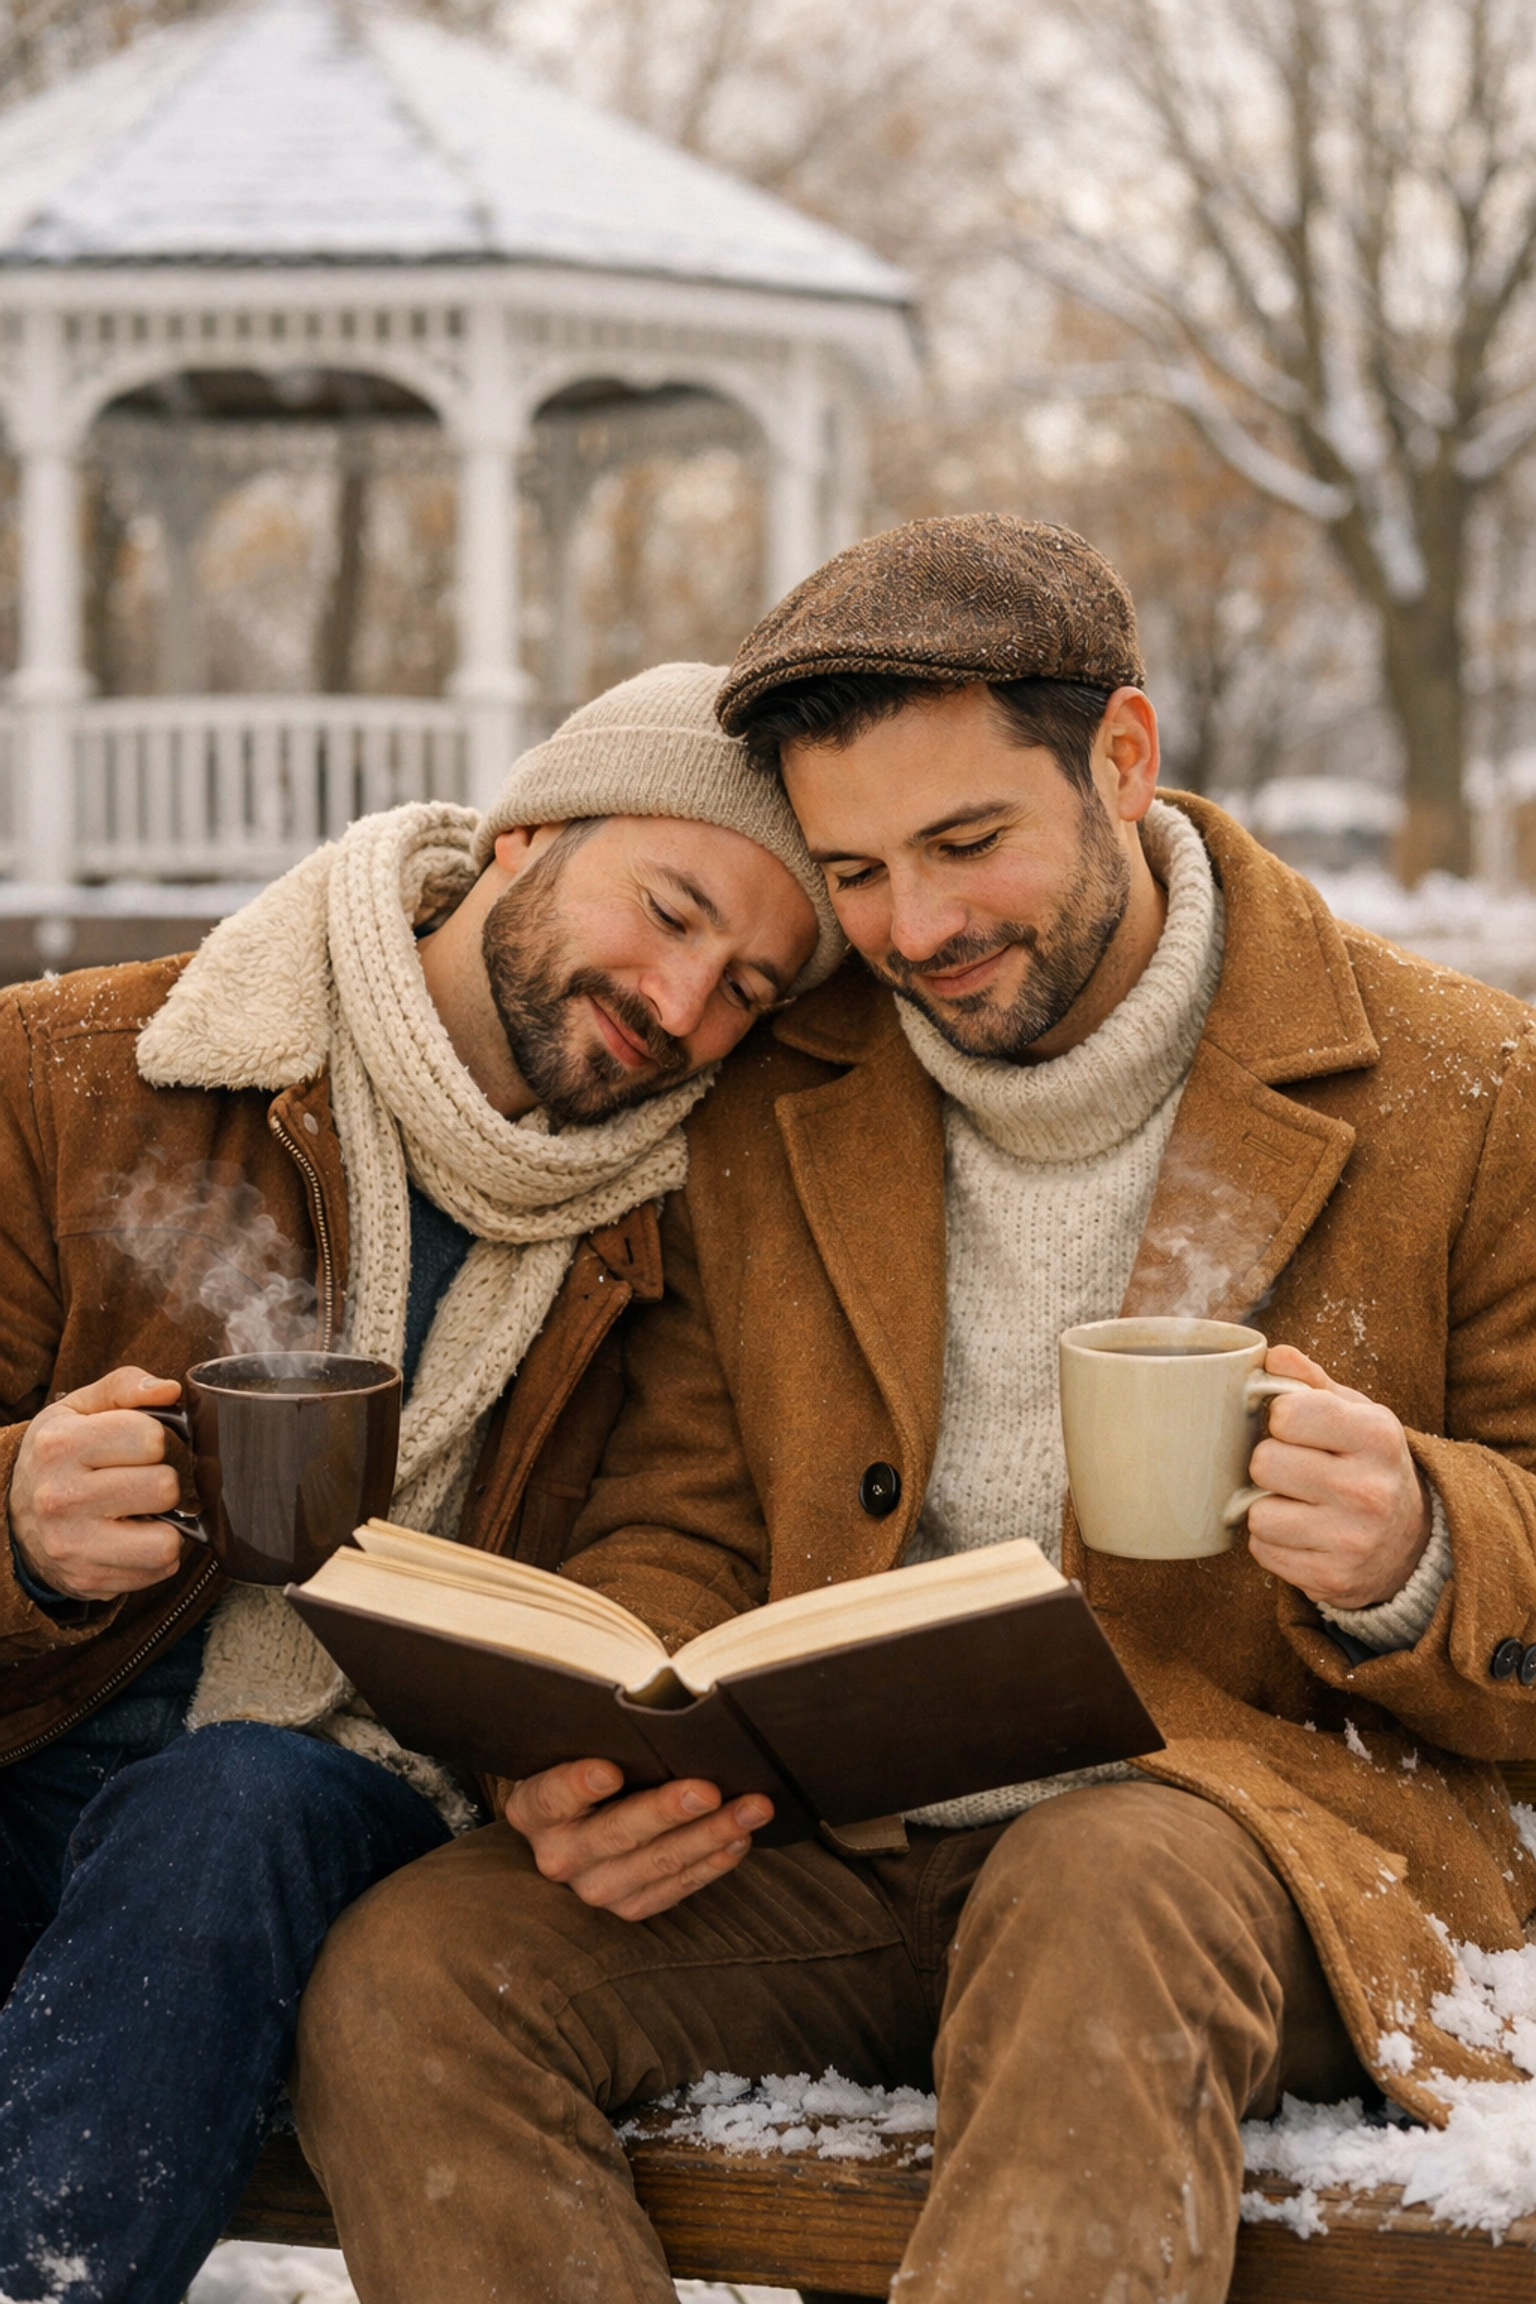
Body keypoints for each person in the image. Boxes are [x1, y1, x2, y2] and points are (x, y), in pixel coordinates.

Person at [293, 518, 1536, 2304]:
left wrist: (1421, 1543)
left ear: (1122, 756)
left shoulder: (1465, 1084)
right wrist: (595, 1738)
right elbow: (690, 1505)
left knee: (1092, 1892)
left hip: (1250, 1844)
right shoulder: (786, 1089)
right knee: (414, 1978)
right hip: (843, 1848)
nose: (917, 928)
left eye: (968, 845)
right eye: (857, 872)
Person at [0, 661, 842, 2304]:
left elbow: (670, 1544)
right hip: (32, 1747)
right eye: (668, 912)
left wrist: (595, 1735)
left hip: (356, 1814)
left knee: (227, 1806)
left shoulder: (693, 1220)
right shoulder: (80, 1074)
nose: (683, 1008)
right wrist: (19, 1527)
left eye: (749, 986)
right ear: (526, 834)